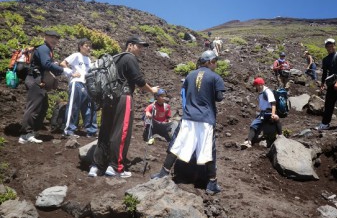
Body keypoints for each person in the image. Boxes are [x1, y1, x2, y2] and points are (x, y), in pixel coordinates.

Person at [151, 50, 225, 195]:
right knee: (208, 149)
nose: (216, 64)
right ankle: (212, 183)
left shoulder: (190, 75)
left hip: (189, 116)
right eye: (215, 62)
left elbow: (184, 93)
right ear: (210, 62)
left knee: (177, 144)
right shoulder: (216, 77)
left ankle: (163, 173)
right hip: (206, 118)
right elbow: (219, 97)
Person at [89, 35, 159, 178]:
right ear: (130, 45)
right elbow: (139, 81)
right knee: (121, 132)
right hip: (123, 97)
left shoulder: (115, 58)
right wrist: (152, 90)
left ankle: (96, 166)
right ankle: (115, 167)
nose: (140, 50)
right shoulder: (129, 58)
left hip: (108, 99)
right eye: (138, 46)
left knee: (105, 131)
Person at [19, 30, 78, 144]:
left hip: (38, 80)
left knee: (43, 106)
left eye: (56, 38)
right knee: (34, 107)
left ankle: (33, 131)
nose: (54, 40)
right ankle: (25, 134)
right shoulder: (44, 49)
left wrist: (55, 66)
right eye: (51, 37)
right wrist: (65, 70)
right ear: (45, 37)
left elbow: (46, 64)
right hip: (35, 80)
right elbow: (46, 64)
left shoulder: (48, 50)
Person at [60, 38, 97, 138]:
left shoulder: (88, 60)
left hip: (87, 85)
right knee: (73, 106)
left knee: (89, 108)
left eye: (90, 46)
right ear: (80, 46)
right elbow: (63, 63)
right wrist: (71, 73)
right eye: (86, 46)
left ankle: (91, 131)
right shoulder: (76, 55)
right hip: (76, 83)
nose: (89, 48)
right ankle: (69, 130)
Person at [241, 77, 283, 149]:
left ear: (260, 84)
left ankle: (280, 135)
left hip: (269, 112)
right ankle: (249, 142)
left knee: (276, 118)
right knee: (253, 125)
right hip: (263, 113)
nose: (256, 87)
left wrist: (273, 114)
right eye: (256, 86)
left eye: (257, 85)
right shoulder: (261, 92)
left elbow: (273, 103)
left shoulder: (267, 91)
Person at [316, 38, 337, 131]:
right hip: (330, 83)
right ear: (326, 47)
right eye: (328, 46)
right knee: (328, 103)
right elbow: (325, 72)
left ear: (335, 45)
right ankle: (325, 123)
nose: (330, 47)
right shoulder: (325, 59)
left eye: (331, 45)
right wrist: (322, 83)